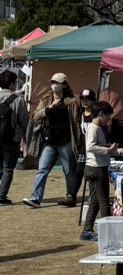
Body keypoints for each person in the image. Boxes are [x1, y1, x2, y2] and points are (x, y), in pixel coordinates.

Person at [23, 73, 81, 208]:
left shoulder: (71, 102)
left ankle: (70, 196)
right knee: (42, 169)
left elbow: (76, 123)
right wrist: (48, 109)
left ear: (64, 85)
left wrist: (77, 141)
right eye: (52, 82)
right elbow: (36, 115)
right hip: (50, 141)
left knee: (68, 170)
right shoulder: (46, 99)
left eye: (57, 82)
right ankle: (35, 198)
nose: (54, 85)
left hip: (66, 141)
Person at [80, 102, 122, 242]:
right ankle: (107, 233)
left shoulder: (96, 128)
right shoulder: (94, 128)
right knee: (104, 201)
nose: (108, 120)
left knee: (95, 201)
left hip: (93, 167)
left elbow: (99, 145)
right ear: (101, 114)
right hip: (97, 168)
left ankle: (87, 230)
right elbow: (91, 147)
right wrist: (108, 150)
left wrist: (117, 151)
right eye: (108, 116)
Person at [0, 69, 29, 205]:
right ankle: (2, 195)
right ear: (12, 83)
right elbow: (24, 122)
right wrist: (25, 139)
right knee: (8, 168)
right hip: (12, 139)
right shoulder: (18, 100)